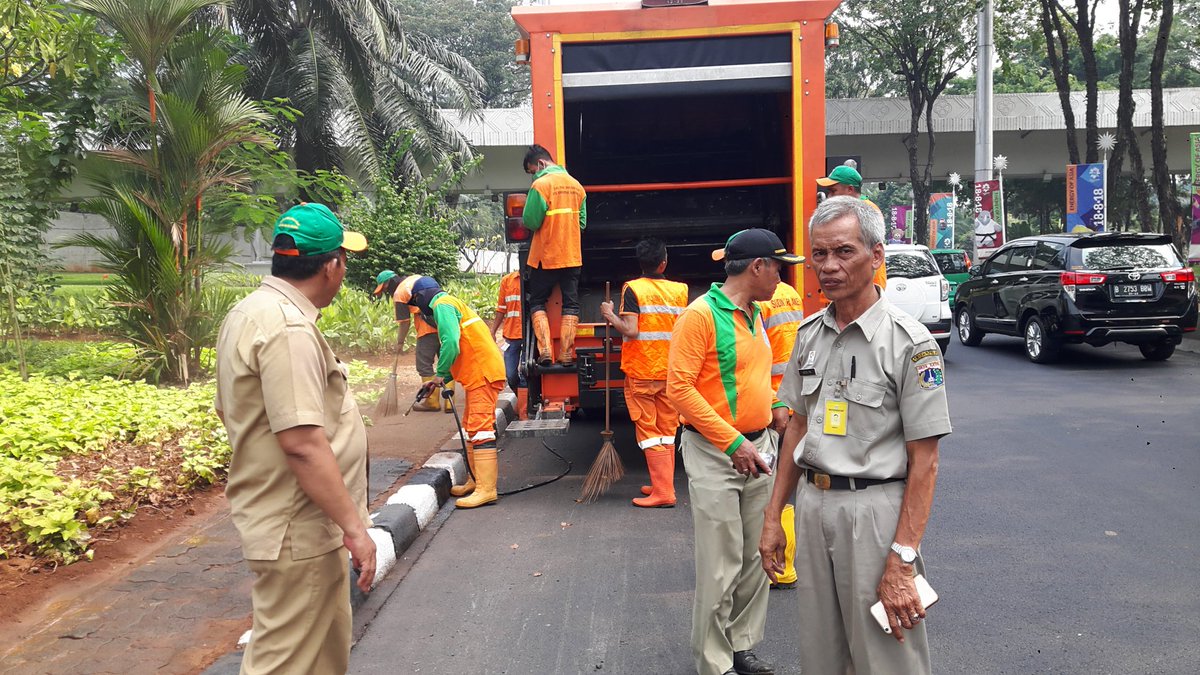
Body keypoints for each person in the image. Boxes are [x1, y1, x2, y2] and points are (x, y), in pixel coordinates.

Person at [759, 196, 952, 674]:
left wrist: (902, 559)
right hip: (813, 506)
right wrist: (773, 516)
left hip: (874, 514)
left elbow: (925, 461)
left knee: (887, 657)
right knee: (821, 654)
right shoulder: (809, 334)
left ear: (876, 255)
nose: (829, 266)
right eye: (819, 254)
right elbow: (797, 426)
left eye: (844, 251)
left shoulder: (909, 344)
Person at [214, 202, 376, 674]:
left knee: (323, 656)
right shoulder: (287, 329)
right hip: (299, 529)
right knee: (283, 664)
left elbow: (231, 411)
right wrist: (355, 530)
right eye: (344, 261)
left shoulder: (250, 312)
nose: (343, 271)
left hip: (305, 525)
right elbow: (303, 444)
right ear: (331, 266)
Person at [667, 228, 803, 675]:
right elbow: (679, 389)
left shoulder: (755, 313)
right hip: (716, 452)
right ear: (757, 267)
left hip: (759, 447)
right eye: (778, 268)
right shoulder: (700, 316)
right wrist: (732, 441)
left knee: (756, 556)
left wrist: (777, 404)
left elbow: (757, 376)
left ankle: (741, 645)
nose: (782, 277)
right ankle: (714, 660)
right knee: (721, 561)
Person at [598, 238, 689, 508]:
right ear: (664, 263)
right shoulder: (680, 290)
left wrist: (609, 314)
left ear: (641, 263)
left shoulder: (633, 288)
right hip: (671, 370)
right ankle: (663, 485)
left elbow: (631, 330)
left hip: (643, 370)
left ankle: (664, 492)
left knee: (649, 431)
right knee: (667, 430)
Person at [411, 276, 508, 508]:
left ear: (421, 296)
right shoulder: (451, 304)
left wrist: (440, 373)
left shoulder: (442, 304)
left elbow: (451, 343)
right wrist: (439, 380)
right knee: (472, 427)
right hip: (478, 373)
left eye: (416, 302)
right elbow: (462, 346)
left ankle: (487, 489)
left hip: (482, 374)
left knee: (481, 429)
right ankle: (476, 481)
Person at [757, 280, 806, 590]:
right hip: (794, 394)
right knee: (788, 486)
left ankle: (781, 568)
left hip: (773, 398)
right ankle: (785, 565)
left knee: (774, 487)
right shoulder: (791, 293)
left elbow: (758, 354)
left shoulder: (757, 301)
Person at [522, 144, 587, 366]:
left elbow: (531, 221)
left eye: (533, 171)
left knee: (537, 301)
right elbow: (582, 223)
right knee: (571, 303)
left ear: (541, 164)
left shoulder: (541, 185)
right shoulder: (577, 186)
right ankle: (566, 353)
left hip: (546, 257)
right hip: (572, 256)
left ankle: (546, 352)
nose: (533, 176)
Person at [373, 270, 448, 412]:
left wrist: (400, 343)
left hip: (428, 328)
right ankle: (450, 403)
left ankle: (431, 402)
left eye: (384, 287)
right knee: (445, 360)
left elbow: (404, 323)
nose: (386, 291)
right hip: (443, 322)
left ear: (390, 282)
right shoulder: (414, 278)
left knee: (424, 364)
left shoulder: (399, 293)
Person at [816, 164, 887, 296]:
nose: (829, 196)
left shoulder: (865, 211)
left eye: (833, 191)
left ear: (850, 189)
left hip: (863, 291)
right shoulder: (848, 211)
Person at [489, 269, 526, 418]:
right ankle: (523, 399)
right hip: (511, 335)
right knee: (510, 375)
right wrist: (493, 331)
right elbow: (501, 309)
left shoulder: (536, 277)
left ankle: (524, 410)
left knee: (525, 373)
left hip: (530, 335)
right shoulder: (507, 280)